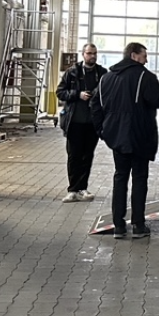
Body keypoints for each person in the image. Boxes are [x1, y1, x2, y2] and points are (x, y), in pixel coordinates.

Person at [90, 42, 159, 240]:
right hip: (140, 137)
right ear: (134, 56)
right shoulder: (146, 77)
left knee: (120, 178)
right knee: (140, 179)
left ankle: (118, 226)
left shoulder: (106, 78)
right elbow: (156, 100)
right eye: (144, 55)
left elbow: (94, 104)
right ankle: (138, 225)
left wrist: (102, 130)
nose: (147, 59)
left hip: (117, 138)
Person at [55, 43, 107, 203]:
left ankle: (83, 188)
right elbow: (60, 92)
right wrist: (78, 94)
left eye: (95, 53)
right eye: (89, 53)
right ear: (83, 54)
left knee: (87, 156)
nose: (92, 56)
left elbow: (108, 95)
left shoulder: (102, 73)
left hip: (92, 123)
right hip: (74, 122)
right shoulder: (72, 73)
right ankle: (72, 189)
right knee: (74, 156)